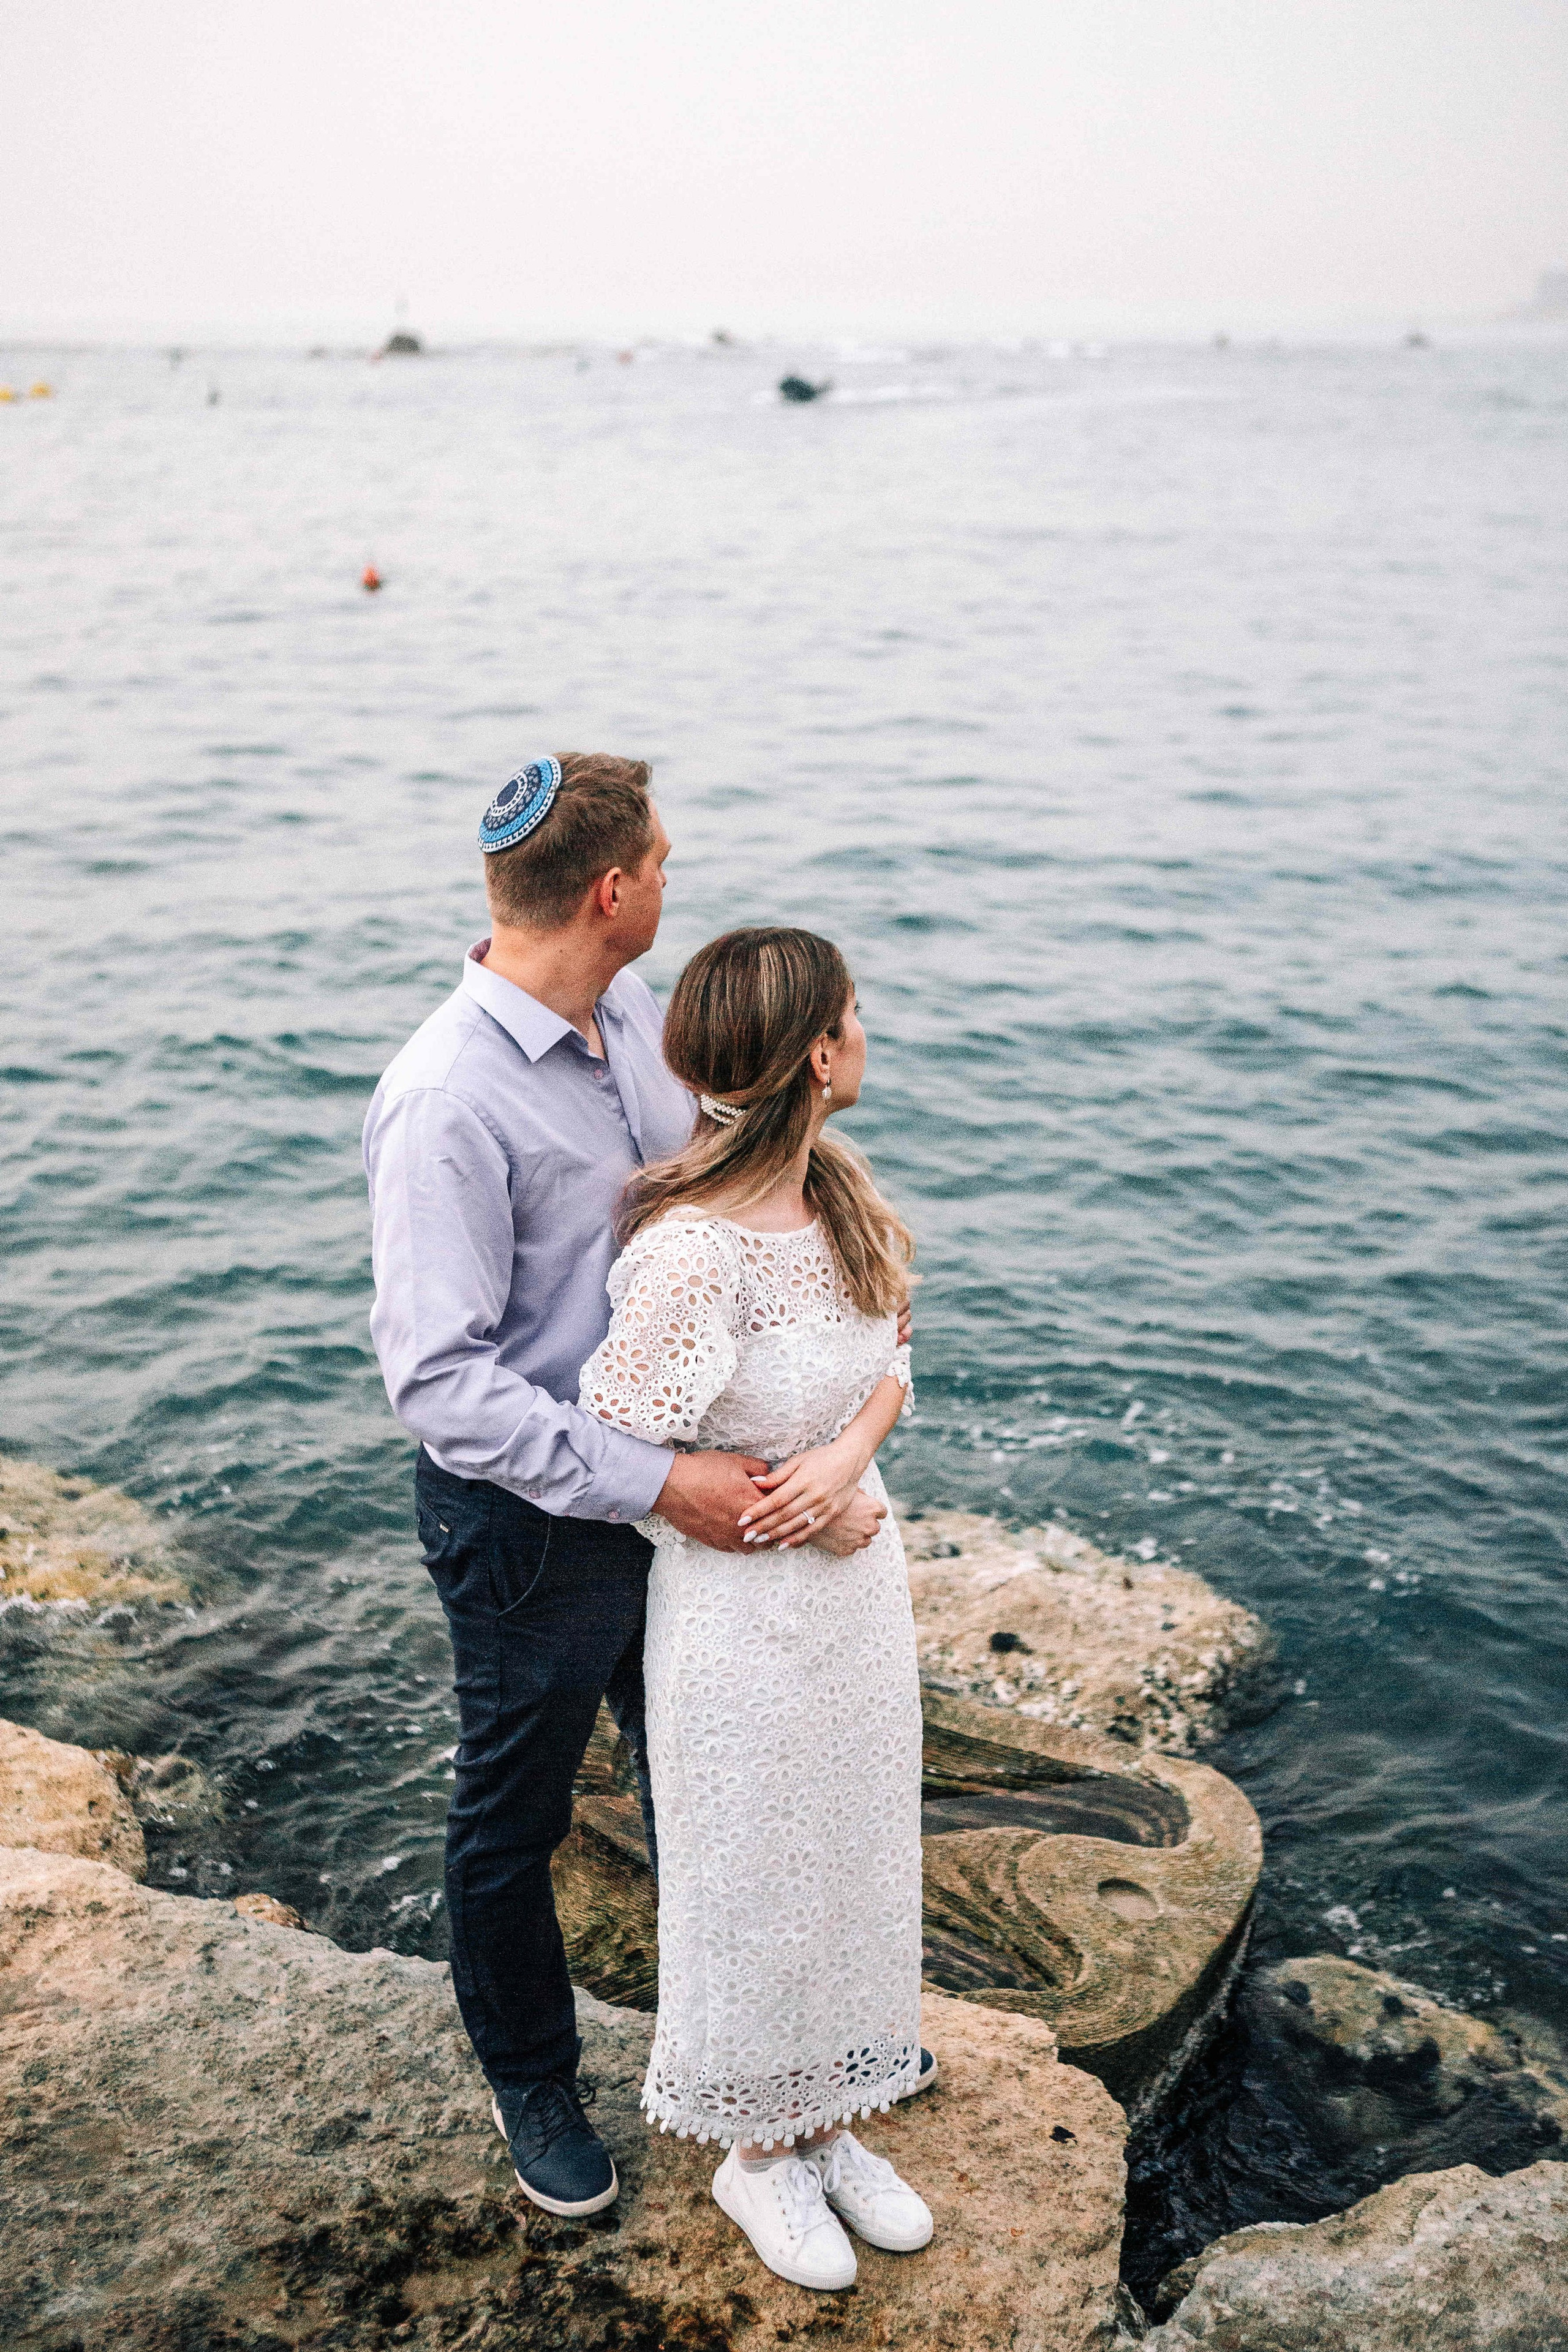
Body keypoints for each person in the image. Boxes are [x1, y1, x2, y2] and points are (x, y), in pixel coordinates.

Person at [361, 756, 892, 2222]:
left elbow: (735, 1205)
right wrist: (665, 1481)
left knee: (723, 1792)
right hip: (531, 1525)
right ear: (614, 892)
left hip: (688, 1502)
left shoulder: (643, 1029)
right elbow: (441, 1385)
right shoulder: (442, 1101)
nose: (671, 880)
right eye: (661, 861)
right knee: (513, 1813)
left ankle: (776, 2091)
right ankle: (532, 2077)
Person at [578, 925, 933, 2292]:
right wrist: (791, 1498)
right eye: (854, 1013)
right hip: (736, 1622)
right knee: (750, 1879)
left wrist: (846, 1468)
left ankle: (833, 2114)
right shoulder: (692, 1252)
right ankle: (756, 2155)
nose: (866, 1028)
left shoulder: (836, 1191)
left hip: (856, 1604)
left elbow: (895, 1350)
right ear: (819, 1053)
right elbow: (621, 1453)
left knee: (854, 1856)